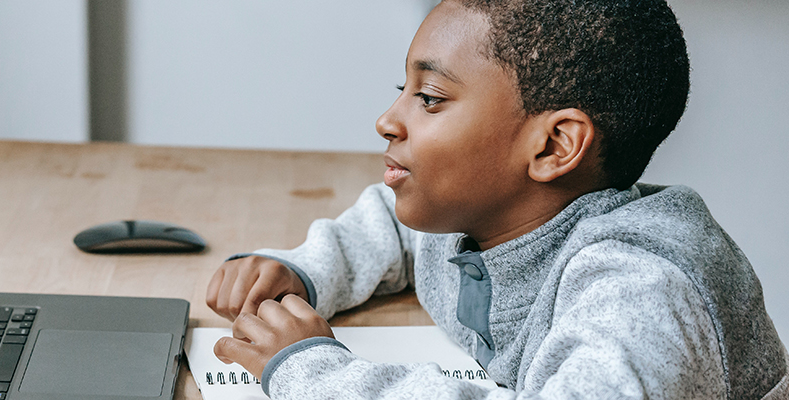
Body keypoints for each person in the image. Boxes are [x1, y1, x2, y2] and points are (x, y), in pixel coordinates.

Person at [206, 0, 789, 398]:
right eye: (401, 91)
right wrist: (305, 272)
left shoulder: (641, 292)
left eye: (430, 98)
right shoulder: (480, 215)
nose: (386, 120)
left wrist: (313, 373)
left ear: (554, 145)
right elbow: (397, 223)